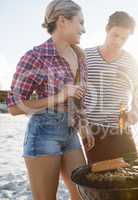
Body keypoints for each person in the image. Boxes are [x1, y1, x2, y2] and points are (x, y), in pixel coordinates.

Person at [6, 0, 94, 199]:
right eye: (80, 22)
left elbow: (80, 98)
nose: (84, 29)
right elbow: (13, 106)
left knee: (84, 195)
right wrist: (59, 96)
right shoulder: (36, 56)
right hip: (43, 133)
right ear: (62, 21)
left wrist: (84, 124)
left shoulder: (80, 56)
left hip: (71, 133)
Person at [81, 11, 138, 164]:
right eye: (115, 35)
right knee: (100, 179)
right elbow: (77, 95)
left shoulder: (131, 61)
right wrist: (83, 125)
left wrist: (135, 111)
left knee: (133, 173)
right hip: (93, 131)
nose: (119, 41)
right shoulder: (86, 56)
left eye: (124, 38)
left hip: (122, 129)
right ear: (107, 29)